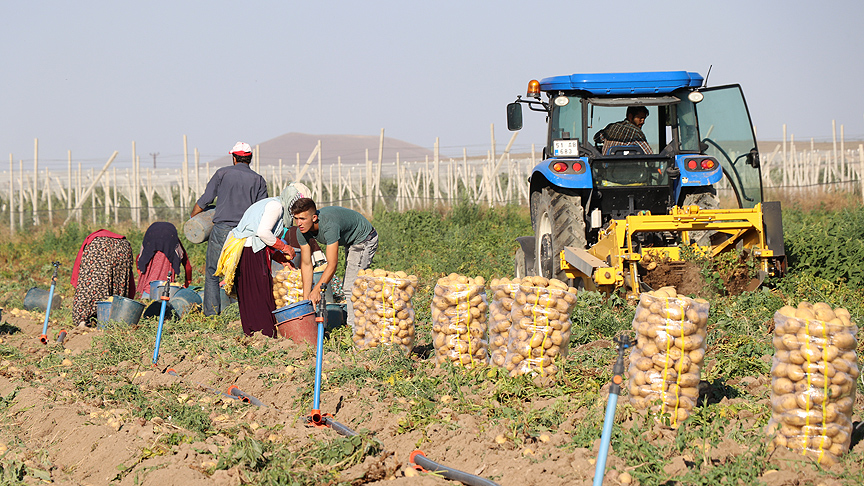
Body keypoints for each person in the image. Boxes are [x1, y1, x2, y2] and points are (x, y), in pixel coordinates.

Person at [215, 182, 311, 337]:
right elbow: (262, 233)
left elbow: (263, 238)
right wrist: (284, 248)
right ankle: (264, 334)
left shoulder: (274, 204)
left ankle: (254, 332)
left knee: (254, 292)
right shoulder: (276, 206)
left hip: (252, 249)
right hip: (249, 250)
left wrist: (280, 258)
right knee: (259, 293)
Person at [191, 141, 268, 316]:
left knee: (212, 272)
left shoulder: (222, 173)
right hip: (246, 233)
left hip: (222, 230)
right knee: (243, 273)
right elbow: (261, 209)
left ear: (234, 158)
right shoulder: (258, 179)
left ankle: (211, 315)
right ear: (250, 159)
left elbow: (206, 199)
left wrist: (193, 218)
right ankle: (244, 313)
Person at [291, 198, 378, 330]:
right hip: (350, 240)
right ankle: (362, 321)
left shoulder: (329, 226)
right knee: (351, 285)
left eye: (302, 218)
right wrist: (306, 299)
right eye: (296, 218)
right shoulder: (301, 231)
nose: (299, 223)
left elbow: (332, 264)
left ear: (314, 218)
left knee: (351, 287)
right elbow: (306, 264)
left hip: (364, 238)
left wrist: (317, 290)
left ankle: (358, 334)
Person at [70, 229, 136, 327]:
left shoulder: (95, 240)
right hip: (123, 247)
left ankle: (83, 322)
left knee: (91, 284)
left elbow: (80, 271)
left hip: (98, 246)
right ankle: (114, 319)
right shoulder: (123, 242)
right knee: (118, 282)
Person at [135, 222, 192, 297]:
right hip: (164, 290)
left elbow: (139, 258)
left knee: (146, 299)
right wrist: (187, 281)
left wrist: (140, 271)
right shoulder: (174, 244)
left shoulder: (148, 246)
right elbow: (186, 263)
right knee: (163, 295)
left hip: (146, 290)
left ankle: (145, 298)